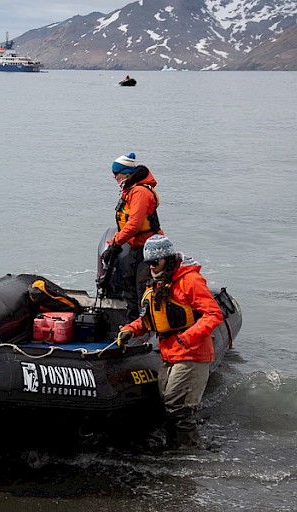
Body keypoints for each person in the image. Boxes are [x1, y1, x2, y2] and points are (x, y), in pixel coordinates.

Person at [116, 235, 223, 449]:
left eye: (155, 262)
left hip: (192, 352)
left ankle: (187, 451)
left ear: (168, 259)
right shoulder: (156, 285)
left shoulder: (190, 281)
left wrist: (188, 337)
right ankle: (175, 446)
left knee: (177, 403)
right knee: (168, 402)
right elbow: (150, 319)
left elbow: (213, 314)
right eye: (149, 263)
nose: (152, 267)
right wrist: (130, 330)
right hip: (169, 353)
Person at [102, 152, 164, 321]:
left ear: (127, 174)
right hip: (136, 246)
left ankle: (145, 326)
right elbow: (124, 224)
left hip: (148, 248)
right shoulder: (129, 191)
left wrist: (116, 244)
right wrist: (113, 243)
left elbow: (134, 224)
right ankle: (133, 324)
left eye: (117, 173)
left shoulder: (139, 193)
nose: (114, 177)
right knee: (128, 286)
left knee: (142, 288)